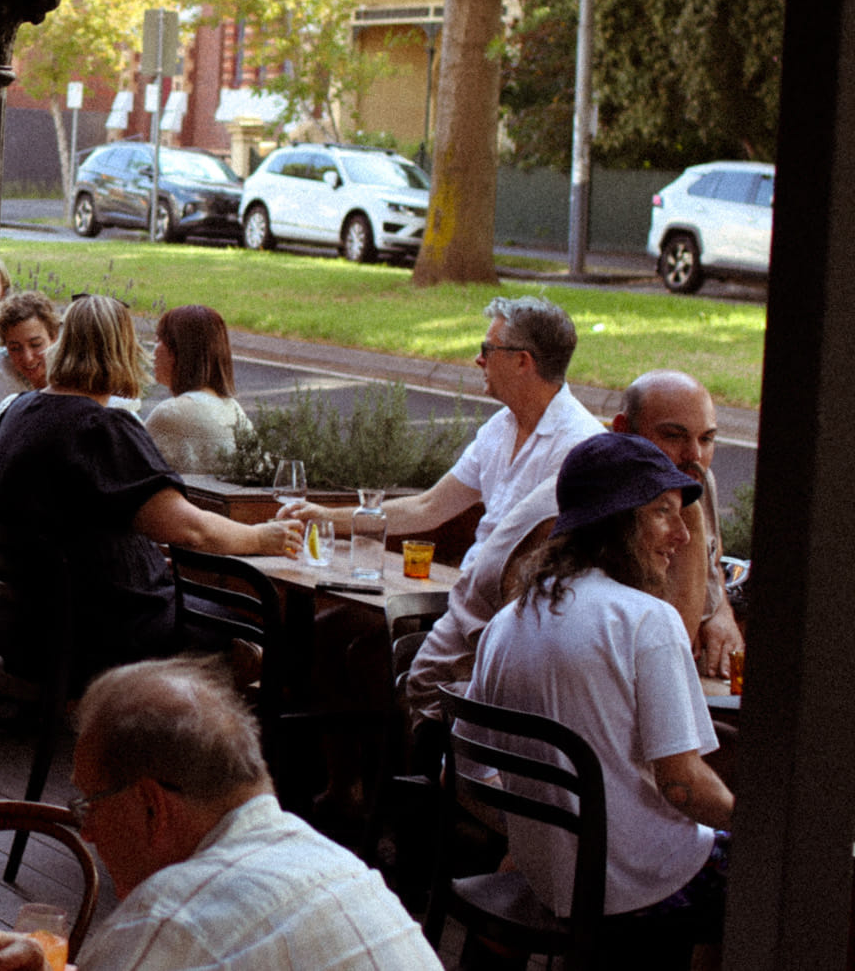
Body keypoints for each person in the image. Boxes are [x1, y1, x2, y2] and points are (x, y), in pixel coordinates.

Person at [0, 657, 438, 971]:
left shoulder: (173, 919)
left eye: (89, 802)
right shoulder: (339, 869)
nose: (85, 830)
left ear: (153, 805)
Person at [465, 433, 731, 949]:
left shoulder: (508, 621)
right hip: (641, 893)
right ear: (616, 519)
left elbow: (464, 774)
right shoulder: (646, 621)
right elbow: (682, 787)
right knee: (792, 876)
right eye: (663, 512)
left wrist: (537, 833)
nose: (680, 534)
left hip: (553, 886)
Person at [289, 296, 604, 723]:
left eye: (487, 349)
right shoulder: (500, 427)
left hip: (507, 618)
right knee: (330, 635)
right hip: (462, 600)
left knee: (376, 660)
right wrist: (324, 518)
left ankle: (411, 778)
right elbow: (429, 506)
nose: (478, 359)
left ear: (522, 362)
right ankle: (350, 789)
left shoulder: (582, 446)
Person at [0, 295, 300, 688]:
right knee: (261, 633)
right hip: (103, 635)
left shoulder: (18, 411)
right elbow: (189, 530)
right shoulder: (101, 428)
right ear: (122, 352)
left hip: (22, 627)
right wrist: (259, 536)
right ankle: (179, 744)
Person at [611, 370, 744, 678]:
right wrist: (692, 517)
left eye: (706, 438)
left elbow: (713, 556)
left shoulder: (695, 476)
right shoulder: (604, 502)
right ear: (622, 430)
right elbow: (664, 652)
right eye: (673, 435)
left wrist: (721, 608)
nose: (694, 455)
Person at [143, 305, 250, 475]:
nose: (153, 351)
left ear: (179, 351)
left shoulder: (171, 413)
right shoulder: (234, 409)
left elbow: (129, 479)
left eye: (158, 340)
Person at [0, 290, 60, 421]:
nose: (28, 358)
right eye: (15, 348)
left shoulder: (72, 372)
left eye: (36, 344)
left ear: (54, 337)